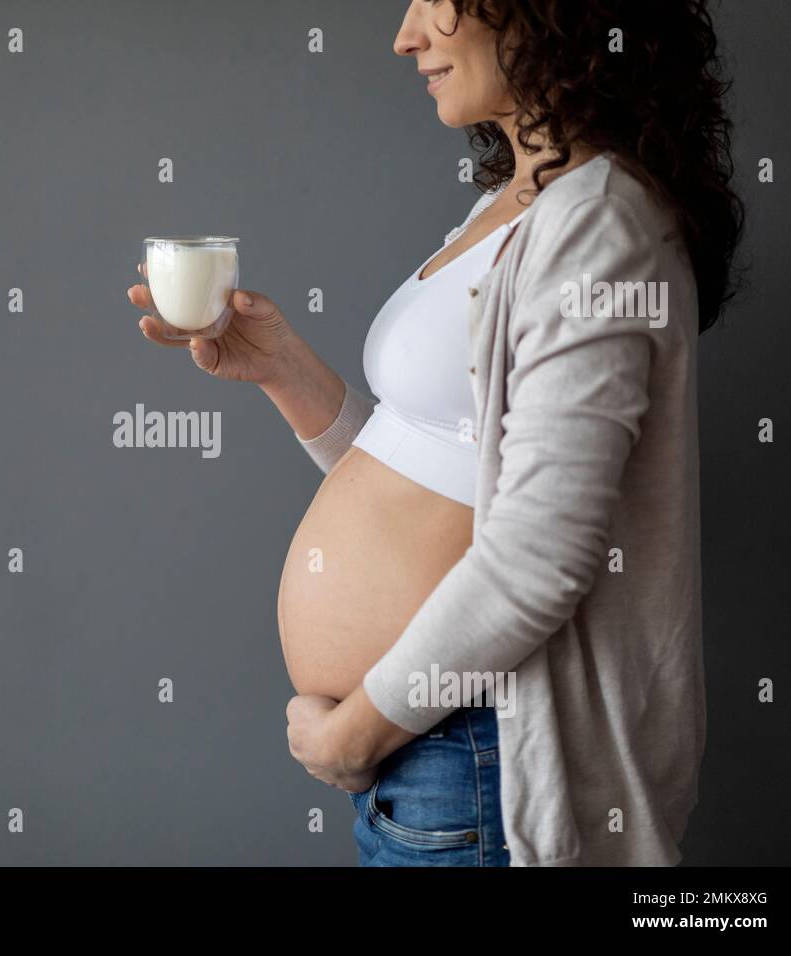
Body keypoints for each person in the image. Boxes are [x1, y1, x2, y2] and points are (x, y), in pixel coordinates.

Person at [129, 0, 742, 866]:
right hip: (431, 761)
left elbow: (543, 552)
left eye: (433, 3)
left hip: (478, 763)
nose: (405, 35)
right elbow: (438, 471)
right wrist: (280, 369)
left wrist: (357, 733)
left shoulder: (600, 224)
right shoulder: (513, 203)